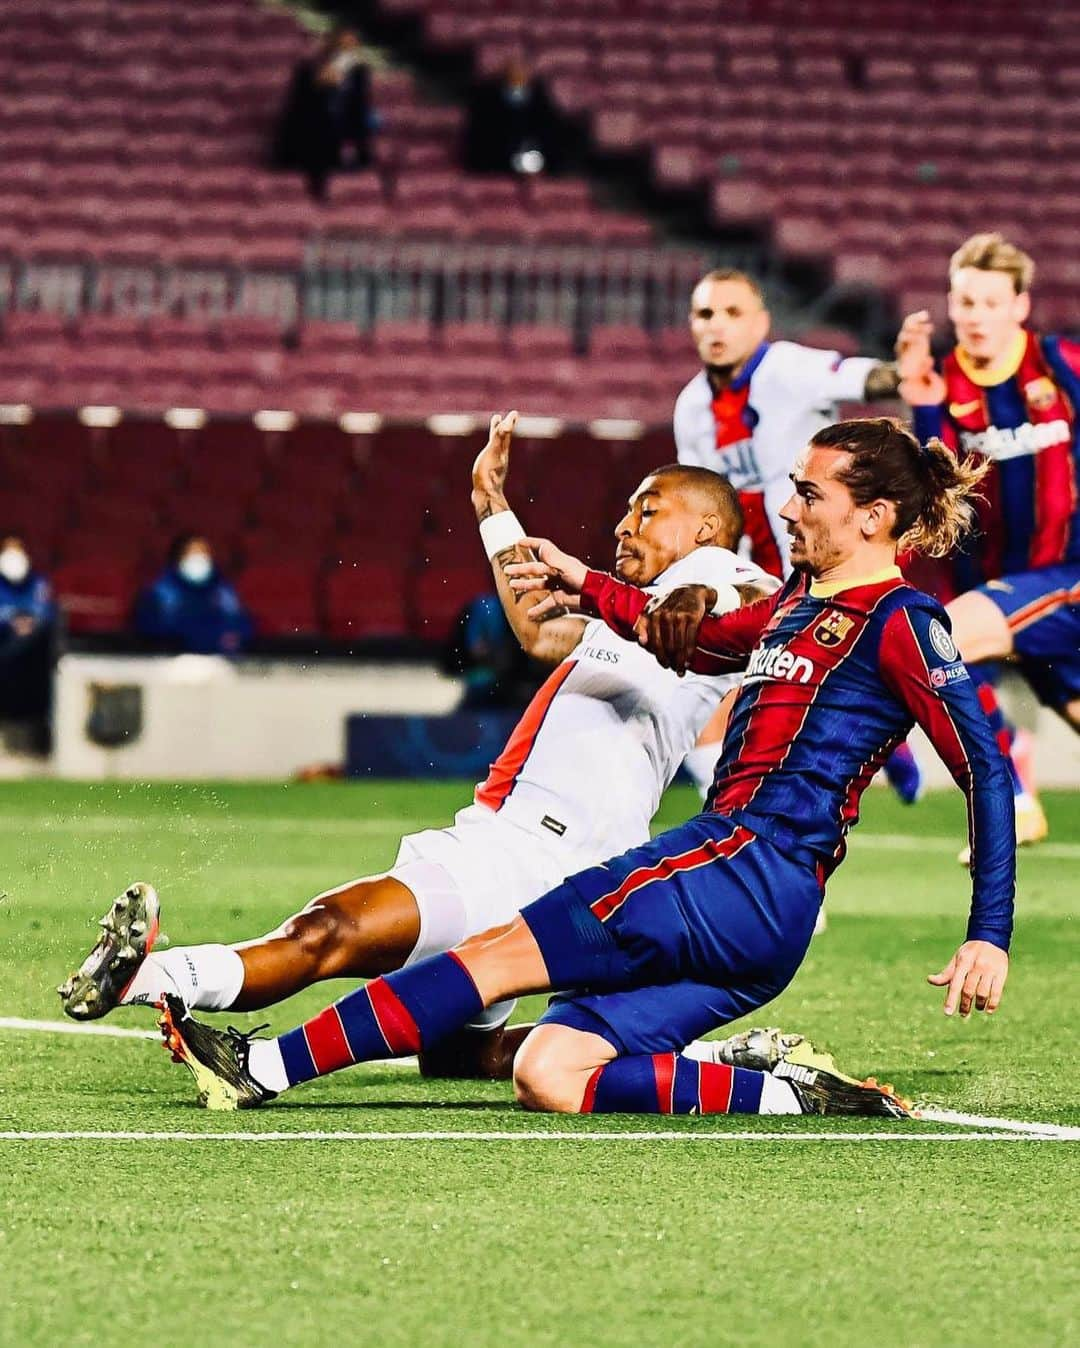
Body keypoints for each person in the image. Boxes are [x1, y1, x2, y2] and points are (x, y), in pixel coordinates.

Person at [158, 418, 1014, 1118]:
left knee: (496, 955)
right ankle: (791, 1097)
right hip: (765, 918)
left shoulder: (902, 617)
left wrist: (988, 932)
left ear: (872, 518)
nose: (789, 505)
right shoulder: (798, 603)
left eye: (809, 492)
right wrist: (581, 576)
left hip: (740, 864)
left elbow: (982, 764)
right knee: (550, 1071)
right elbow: (685, 636)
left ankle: (264, 1067)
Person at [60, 412, 786, 1083]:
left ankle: (155, 978)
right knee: (460, 1051)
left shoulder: (717, 579)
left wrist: (696, 596)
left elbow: (748, 594)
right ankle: (715, 1058)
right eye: (627, 509)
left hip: (533, 854)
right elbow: (535, 630)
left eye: (647, 508)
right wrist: (488, 505)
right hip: (541, 853)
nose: (625, 525)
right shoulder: (622, 619)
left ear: (706, 528)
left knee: (332, 930)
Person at [674, 269, 926, 805]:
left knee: (812, 682)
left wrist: (903, 369)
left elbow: (867, 379)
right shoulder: (690, 407)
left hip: (819, 568)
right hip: (747, 576)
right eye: (705, 313)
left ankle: (880, 753)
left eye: (732, 313)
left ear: (761, 323)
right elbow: (703, 501)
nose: (717, 325)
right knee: (710, 696)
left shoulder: (790, 367)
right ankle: (731, 810)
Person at [898, 233, 1080, 857]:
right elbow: (938, 485)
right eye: (965, 302)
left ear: (1019, 307)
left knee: (938, 637)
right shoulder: (944, 384)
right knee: (947, 644)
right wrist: (922, 407)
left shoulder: (1059, 367)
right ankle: (1015, 783)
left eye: (989, 302)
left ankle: (1010, 792)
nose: (975, 316)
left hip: (1066, 576)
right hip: (998, 593)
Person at [271, 28, 376, 199]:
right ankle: (318, 190)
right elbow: (300, 109)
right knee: (319, 138)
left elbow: (358, 107)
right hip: (312, 132)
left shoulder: (359, 73)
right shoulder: (308, 70)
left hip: (343, 129)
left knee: (361, 133)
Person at [135, 534, 252, 656]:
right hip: (171, 662)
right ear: (180, 557)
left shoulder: (223, 592)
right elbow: (154, 632)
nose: (199, 559)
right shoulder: (160, 594)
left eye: (203, 553)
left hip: (217, 662)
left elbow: (239, 628)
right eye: (193, 553)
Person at [0, 533, 57, 749]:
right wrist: (10, 622)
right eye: (8, 551)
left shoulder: (39, 583)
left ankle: (40, 727)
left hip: (33, 658)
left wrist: (29, 624)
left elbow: (45, 613)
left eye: (18, 551)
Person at [463, 57, 565, 176]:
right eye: (513, 71)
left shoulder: (541, 101)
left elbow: (549, 134)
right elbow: (479, 137)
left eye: (522, 71)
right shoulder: (486, 101)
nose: (518, 75)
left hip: (535, 157)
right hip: (495, 163)